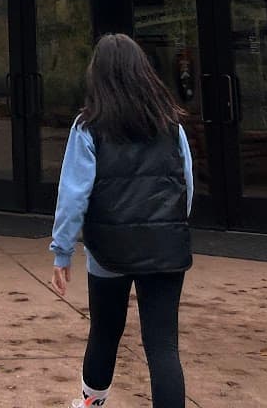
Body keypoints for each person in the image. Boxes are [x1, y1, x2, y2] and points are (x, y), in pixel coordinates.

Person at [49, 33, 194, 408]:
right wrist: (170, 227)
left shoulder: (88, 127)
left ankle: (91, 404)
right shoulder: (171, 125)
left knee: (104, 332)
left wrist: (62, 250)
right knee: (163, 345)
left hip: (108, 251)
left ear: (97, 75)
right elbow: (186, 185)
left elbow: (73, 196)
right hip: (165, 249)